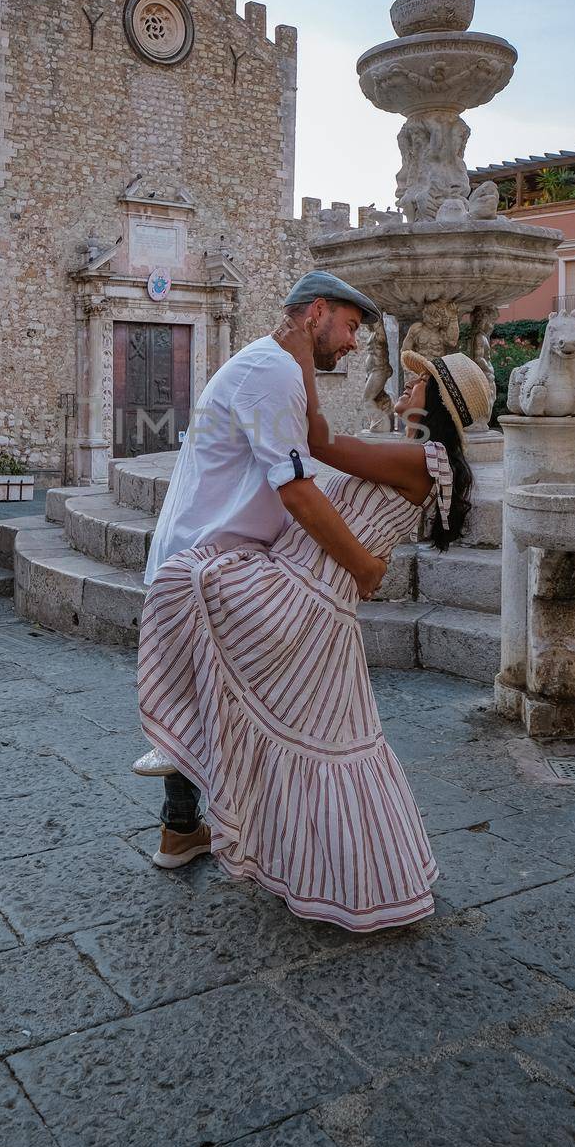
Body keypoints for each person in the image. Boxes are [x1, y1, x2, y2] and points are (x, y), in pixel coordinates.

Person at [136, 322, 492, 932]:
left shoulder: (422, 460)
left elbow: (318, 444)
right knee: (317, 741)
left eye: (421, 380)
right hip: (311, 598)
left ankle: (186, 771)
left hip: (303, 596)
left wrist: (298, 355)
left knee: (185, 583)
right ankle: (194, 801)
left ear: (436, 401)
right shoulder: (413, 455)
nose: (407, 383)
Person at [134, 271, 385, 866]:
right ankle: (268, 830)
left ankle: (181, 830)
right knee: (242, 693)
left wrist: (305, 365)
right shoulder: (269, 372)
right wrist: (363, 567)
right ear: (315, 311)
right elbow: (296, 487)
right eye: (349, 327)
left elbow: (316, 437)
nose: (353, 343)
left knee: (202, 690)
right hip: (212, 557)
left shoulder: (273, 365)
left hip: (199, 548)